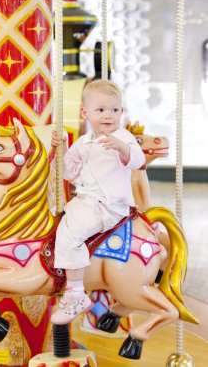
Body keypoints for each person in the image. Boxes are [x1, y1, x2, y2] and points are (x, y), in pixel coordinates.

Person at [50, 79, 145, 325]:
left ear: (121, 112)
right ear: (85, 113)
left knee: (69, 235)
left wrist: (122, 148)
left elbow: (138, 160)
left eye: (114, 110)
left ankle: (74, 293)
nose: (108, 116)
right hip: (86, 201)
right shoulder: (84, 142)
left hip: (108, 205)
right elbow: (68, 172)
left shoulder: (124, 136)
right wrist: (60, 150)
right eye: (101, 110)